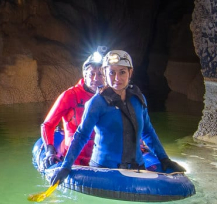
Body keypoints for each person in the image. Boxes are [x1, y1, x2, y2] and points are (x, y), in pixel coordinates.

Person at [52, 50, 185, 181]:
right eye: (111, 72)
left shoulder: (138, 99)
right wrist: (66, 166)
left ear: (130, 73)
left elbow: (148, 132)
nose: (117, 78)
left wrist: (164, 159)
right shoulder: (96, 103)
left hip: (137, 167)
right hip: (105, 171)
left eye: (122, 72)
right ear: (105, 73)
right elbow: (81, 135)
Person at [40, 51, 104, 166]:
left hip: (102, 158)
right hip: (74, 159)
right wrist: (50, 151)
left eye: (100, 74)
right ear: (85, 75)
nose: (96, 78)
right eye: (92, 74)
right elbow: (48, 125)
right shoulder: (70, 96)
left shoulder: (111, 97)